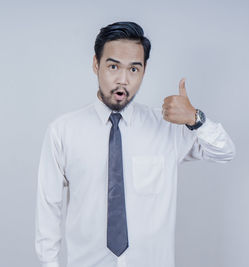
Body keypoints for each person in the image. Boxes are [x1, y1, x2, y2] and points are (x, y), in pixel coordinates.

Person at [34, 21, 236, 267]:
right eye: (113, 66)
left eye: (133, 69)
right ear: (96, 64)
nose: (123, 80)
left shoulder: (167, 127)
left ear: (144, 70)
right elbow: (48, 212)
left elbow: (225, 152)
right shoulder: (62, 132)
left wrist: (195, 119)